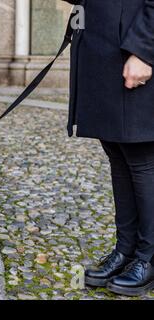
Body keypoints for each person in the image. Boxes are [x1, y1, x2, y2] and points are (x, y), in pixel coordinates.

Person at [62, 0, 154, 296]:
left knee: (142, 158)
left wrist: (144, 48)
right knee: (118, 152)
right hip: (101, 49)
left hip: (132, 46)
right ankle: (126, 251)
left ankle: (148, 257)